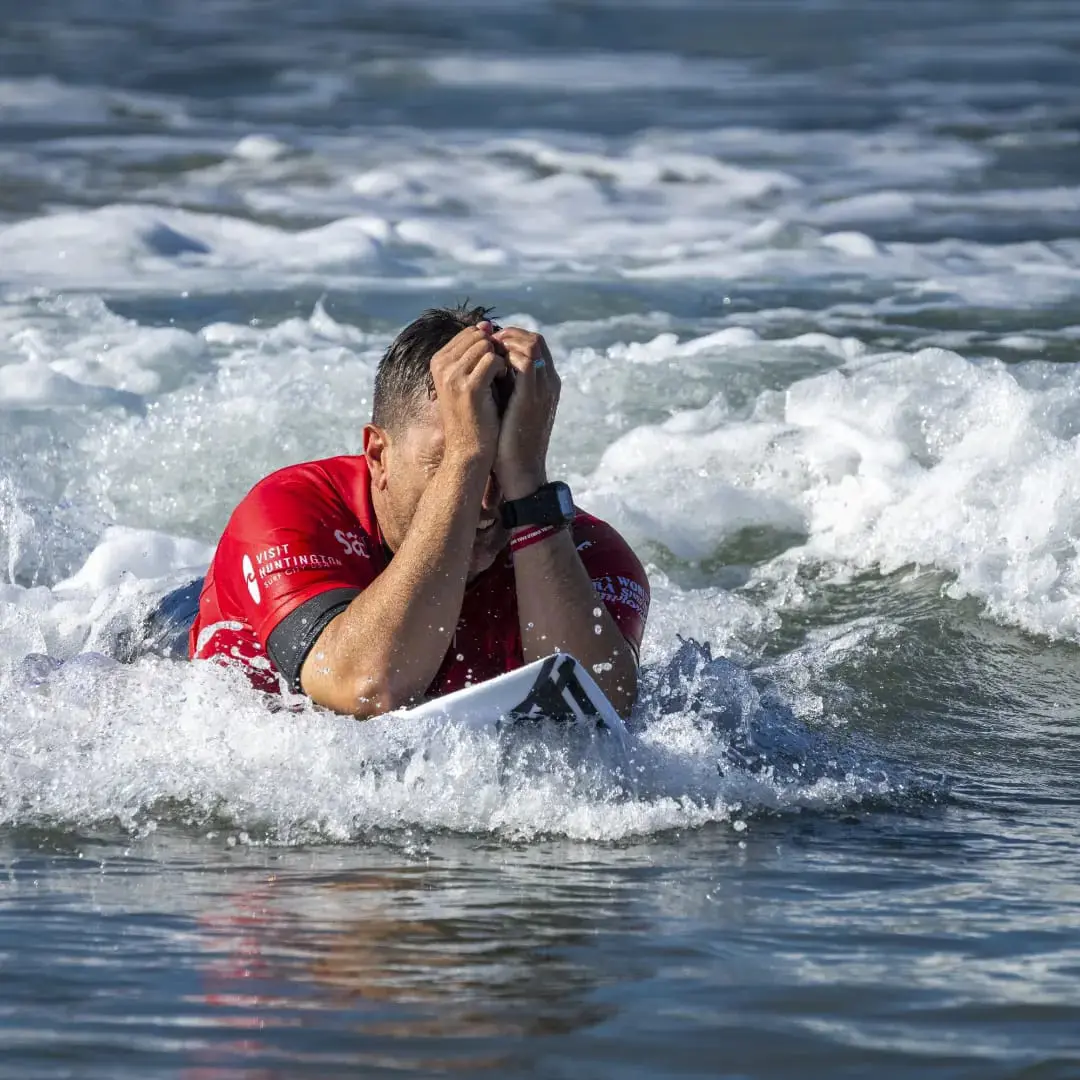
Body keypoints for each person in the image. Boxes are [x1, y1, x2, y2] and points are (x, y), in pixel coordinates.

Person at [188, 304, 650, 719]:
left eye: (500, 467)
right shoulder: (289, 509)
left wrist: (528, 486)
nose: (488, 503)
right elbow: (365, 689)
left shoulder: (585, 551)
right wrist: (466, 455)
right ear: (378, 456)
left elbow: (601, 714)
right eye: (450, 462)